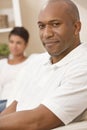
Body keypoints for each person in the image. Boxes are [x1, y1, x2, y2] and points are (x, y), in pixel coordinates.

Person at [0, 0, 87, 129]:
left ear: (76, 27)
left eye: (55, 24)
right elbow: (15, 105)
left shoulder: (82, 65)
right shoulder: (38, 60)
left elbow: (38, 121)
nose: (47, 34)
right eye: (41, 26)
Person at [0, 26, 30, 110]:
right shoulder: (2, 64)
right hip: (2, 102)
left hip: (17, 102)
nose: (14, 46)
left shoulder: (31, 62)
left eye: (18, 43)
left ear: (26, 44)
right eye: (11, 42)